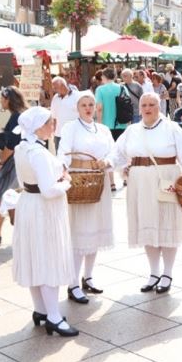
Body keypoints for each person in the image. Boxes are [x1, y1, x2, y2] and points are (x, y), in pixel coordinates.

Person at [112, 93, 182, 293]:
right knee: (147, 225)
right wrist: (123, 168)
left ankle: (167, 273)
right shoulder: (132, 130)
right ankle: (154, 272)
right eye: (144, 105)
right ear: (139, 108)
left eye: (152, 104)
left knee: (168, 223)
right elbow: (116, 153)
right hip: (140, 183)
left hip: (166, 180)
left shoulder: (172, 128)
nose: (147, 108)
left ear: (159, 107)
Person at [12, 107, 78, 337]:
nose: (54, 126)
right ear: (39, 126)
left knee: (35, 257)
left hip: (29, 204)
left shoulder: (22, 147)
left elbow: (24, 181)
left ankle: (40, 310)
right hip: (43, 208)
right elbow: (49, 190)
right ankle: (54, 317)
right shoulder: (38, 152)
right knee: (49, 259)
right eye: (51, 122)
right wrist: (67, 182)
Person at [57, 93, 115, 304]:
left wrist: (106, 162)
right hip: (80, 183)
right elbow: (63, 154)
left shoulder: (103, 129)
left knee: (96, 231)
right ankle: (72, 283)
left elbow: (114, 152)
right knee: (80, 233)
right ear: (77, 108)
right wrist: (67, 170)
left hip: (99, 183)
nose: (88, 108)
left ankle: (88, 277)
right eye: (84, 105)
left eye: (91, 104)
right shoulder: (70, 128)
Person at [0, 87, 28, 247]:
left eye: (2, 98)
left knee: (0, 195)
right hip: (16, 161)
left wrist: (0, 161)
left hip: (14, 162)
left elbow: (12, 145)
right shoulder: (18, 115)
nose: (0, 101)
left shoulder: (17, 117)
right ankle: (21, 234)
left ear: (9, 99)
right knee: (10, 198)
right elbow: (8, 145)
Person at [96, 68, 128, 192]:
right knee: (122, 152)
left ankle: (112, 183)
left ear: (104, 77)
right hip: (121, 124)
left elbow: (99, 108)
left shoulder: (100, 89)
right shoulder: (122, 88)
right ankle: (125, 178)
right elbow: (127, 105)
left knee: (108, 153)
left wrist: (99, 124)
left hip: (106, 125)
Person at [50, 76, 79, 152]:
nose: (54, 90)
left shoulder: (77, 96)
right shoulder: (55, 98)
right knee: (60, 157)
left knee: (74, 156)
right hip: (59, 135)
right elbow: (54, 117)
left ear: (63, 85)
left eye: (55, 88)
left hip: (74, 134)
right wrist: (53, 133)